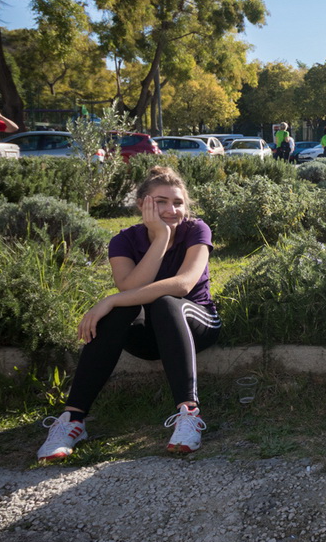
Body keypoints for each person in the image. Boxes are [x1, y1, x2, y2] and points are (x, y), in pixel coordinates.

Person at [37, 166, 222, 461]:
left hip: (197, 323)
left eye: (178, 202)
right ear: (142, 204)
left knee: (163, 302)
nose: (172, 209)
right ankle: (72, 420)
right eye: (161, 201)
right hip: (149, 339)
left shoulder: (196, 230)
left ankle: (188, 415)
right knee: (118, 313)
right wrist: (160, 238)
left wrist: (109, 299)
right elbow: (131, 286)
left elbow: (184, 285)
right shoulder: (124, 240)